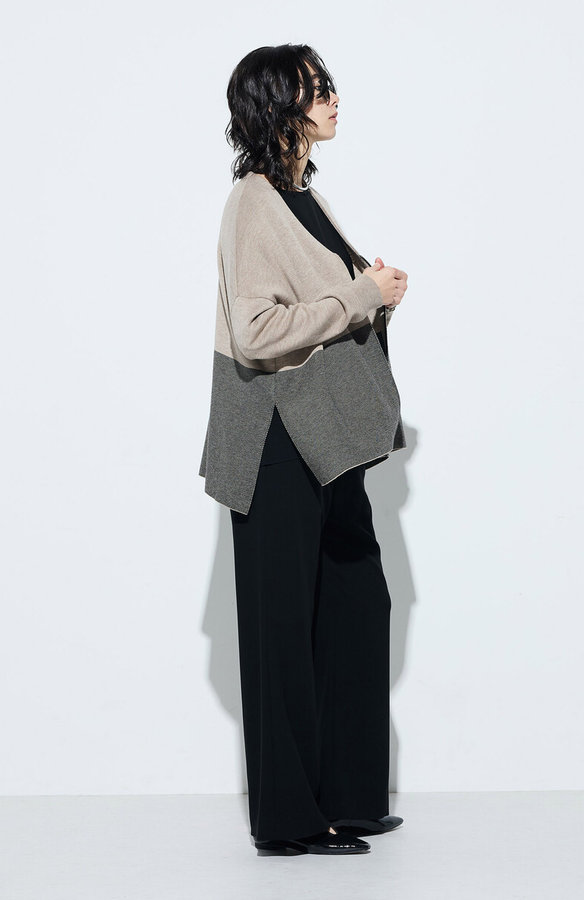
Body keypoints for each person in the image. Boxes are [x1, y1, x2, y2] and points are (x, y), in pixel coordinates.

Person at [198, 44, 408, 856]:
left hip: (324, 433)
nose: (332, 100)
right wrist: (359, 295)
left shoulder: (300, 196)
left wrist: (371, 294)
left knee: (355, 604)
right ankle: (289, 821)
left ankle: (349, 799)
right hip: (275, 435)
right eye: (317, 90)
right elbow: (256, 333)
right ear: (279, 108)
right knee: (283, 627)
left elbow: (319, 301)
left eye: (328, 87)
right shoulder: (253, 201)